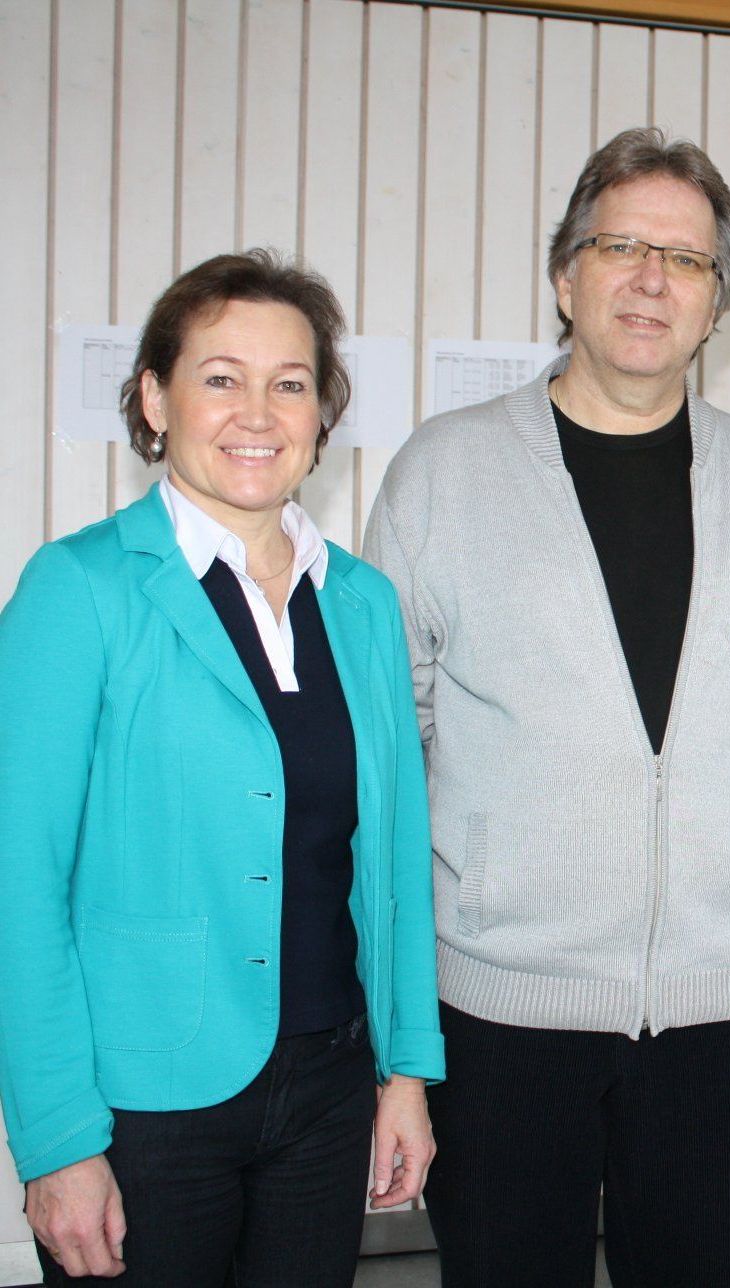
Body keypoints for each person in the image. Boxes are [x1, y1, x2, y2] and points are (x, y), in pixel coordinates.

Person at [365, 125, 730, 1288]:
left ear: (716, 303)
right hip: (499, 1011)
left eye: (685, 261)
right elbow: (391, 753)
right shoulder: (442, 475)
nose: (651, 280)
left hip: (727, 1010)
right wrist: (394, 1023)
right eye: (621, 247)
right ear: (564, 276)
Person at [0, 249, 444, 1286]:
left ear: (322, 414)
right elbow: (18, 881)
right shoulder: (79, 590)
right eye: (219, 377)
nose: (258, 410)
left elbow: (393, 865)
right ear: (154, 399)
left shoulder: (363, 603)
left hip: (331, 1092)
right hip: (145, 1109)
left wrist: (409, 1070)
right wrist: (59, 1138)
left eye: (290, 382)